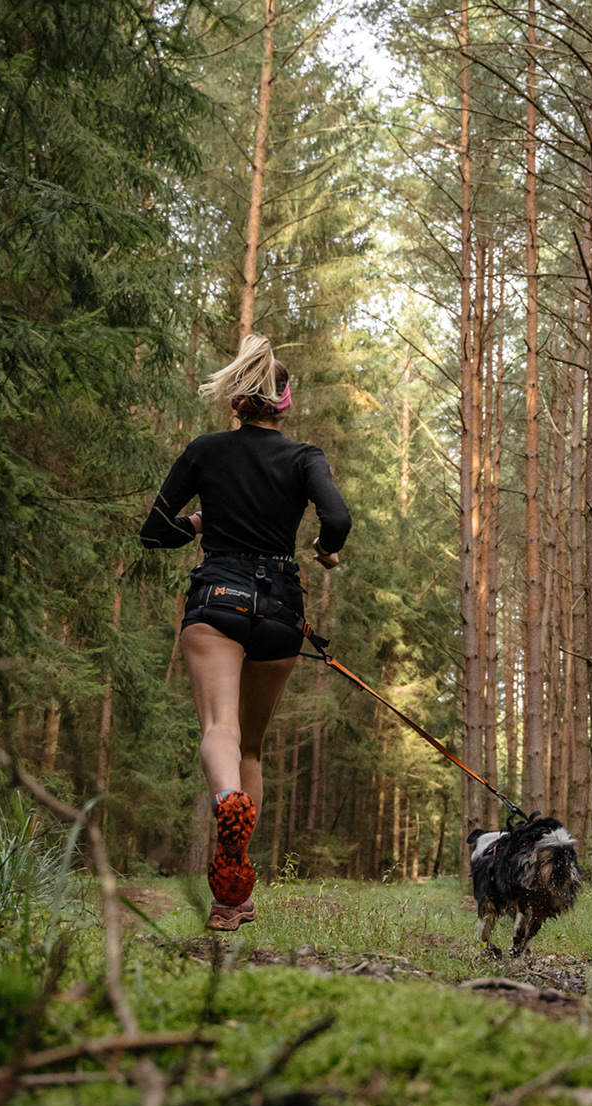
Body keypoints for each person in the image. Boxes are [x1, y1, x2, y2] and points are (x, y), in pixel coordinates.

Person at [139, 334, 351, 931]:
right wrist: (326, 552)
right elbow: (336, 519)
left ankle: (226, 830)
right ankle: (236, 891)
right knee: (251, 745)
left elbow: (153, 530)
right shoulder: (305, 457)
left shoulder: (206, 450)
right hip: (282, 605)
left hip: (219, 595)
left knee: (220, 730)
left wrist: (199, 522)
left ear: (237, 399)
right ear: (283, 401)